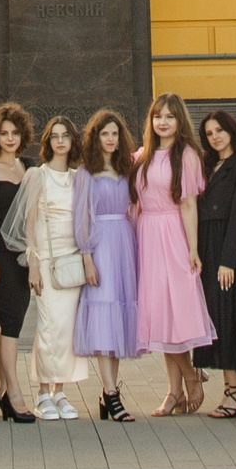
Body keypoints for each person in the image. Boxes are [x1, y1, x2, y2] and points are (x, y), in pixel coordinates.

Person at [132, 93, 213, 415]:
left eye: (169, 116)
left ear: (180, 121)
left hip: (173, 233)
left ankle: (191, 377)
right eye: (157, 116)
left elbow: (189, 204)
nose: (162, 122)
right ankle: (173, 391)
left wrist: (192, 248)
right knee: (160, 313)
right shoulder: (143, 155)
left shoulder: (187, 155)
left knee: (176, 310)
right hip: (147, 234)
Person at [16, 113, 90, 420]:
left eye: (65, 136)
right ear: (48, 142)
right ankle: (42, 392)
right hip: (46, 259)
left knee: (67, 329)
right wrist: (33, 263)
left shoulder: (78, 177)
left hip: (71, 261)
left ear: (72, 141)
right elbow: (29, 222)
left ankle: (60, 391)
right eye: (55, 137)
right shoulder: (38, 175)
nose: (60, 141)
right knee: (48, 326)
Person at [72, 107, 141, 420]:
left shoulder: (127, 170)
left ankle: (108, 392)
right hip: (100, 245)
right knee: (103, 316)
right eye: (105, 134)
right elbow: (81, 216)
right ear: (95, 137)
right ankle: (112, 394)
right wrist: (87, 257)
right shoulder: (86, 172)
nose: (110, 139)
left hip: (124, 243)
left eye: (115, 134)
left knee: (119, 317)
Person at [191, 110, 236, 418]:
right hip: (205, 245)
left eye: (219, 130)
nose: (215, 137)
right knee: (213, 317)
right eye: (209, 133)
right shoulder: (206, 166)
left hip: (225, 249)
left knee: (228, 318)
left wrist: (228, 260)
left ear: (231, 131)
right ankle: (233, 385)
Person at [0, 101, 36, 421]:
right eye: (4, 133)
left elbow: (33, 215)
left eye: (15, 133)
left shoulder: (28, 167)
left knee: (12, 320)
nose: (10, 138)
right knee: (12, 317)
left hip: (22, 255)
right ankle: (13, 391)